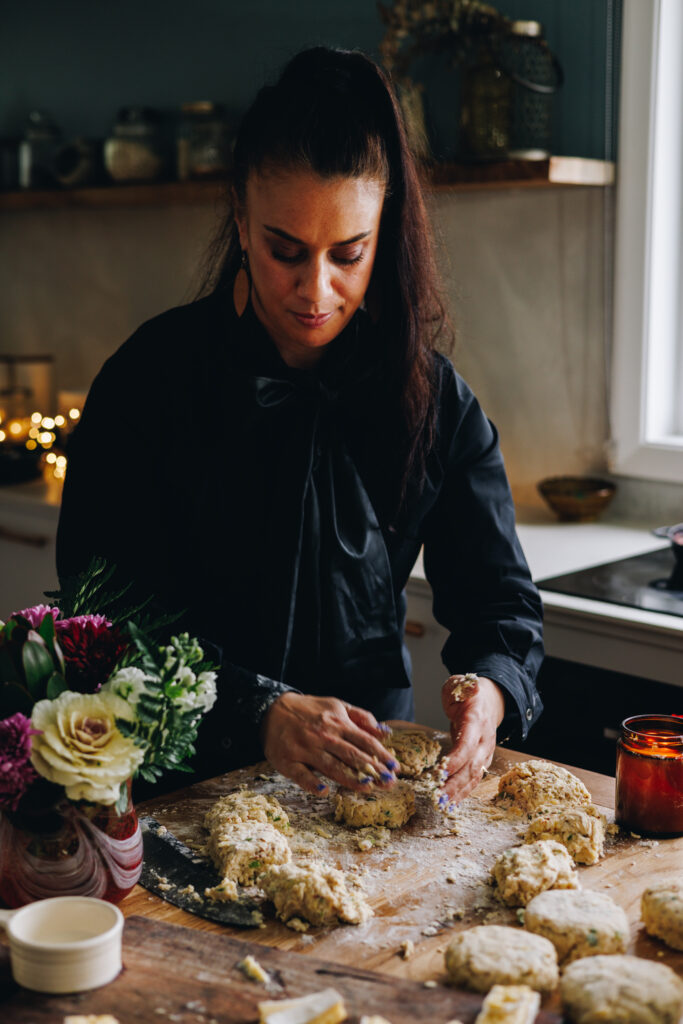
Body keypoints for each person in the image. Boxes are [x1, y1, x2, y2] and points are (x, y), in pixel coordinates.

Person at [56, 47, 544, 807]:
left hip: (368, 787)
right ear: (241, 220)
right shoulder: (148, 381)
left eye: (348, 255)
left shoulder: (435, 401)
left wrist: (490, 688)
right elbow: (103, 620)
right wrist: (257, 709)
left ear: (383, 238)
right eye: (286, 251)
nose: (315, 291)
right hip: (175, 786)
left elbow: (501, 605)